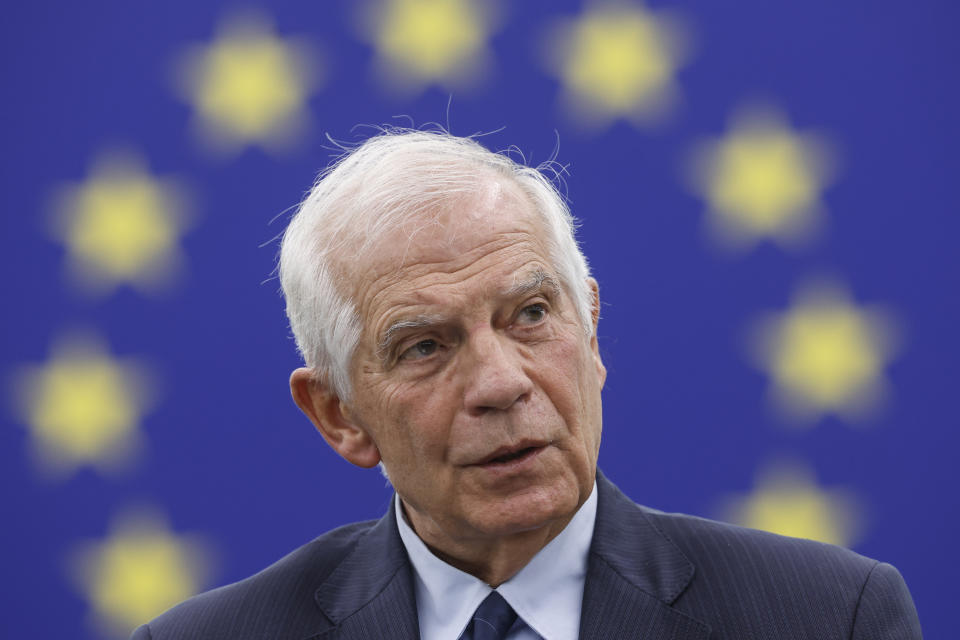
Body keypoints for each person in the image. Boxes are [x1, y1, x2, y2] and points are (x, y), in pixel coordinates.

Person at [132, 130, 921, 639]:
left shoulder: (829, 618)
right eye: (424, 346)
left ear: (592, 331)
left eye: (531, 313)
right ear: (340, 415)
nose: (502, 384)